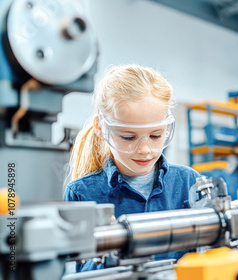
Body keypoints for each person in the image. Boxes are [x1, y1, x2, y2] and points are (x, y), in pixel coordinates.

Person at [64, 64, 200, 271]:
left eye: (156, 135)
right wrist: (109, 253)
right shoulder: (81, 194)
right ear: (102, 128)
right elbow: (79, 271)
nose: (145, 149)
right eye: (129, 137)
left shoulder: (188, 182)